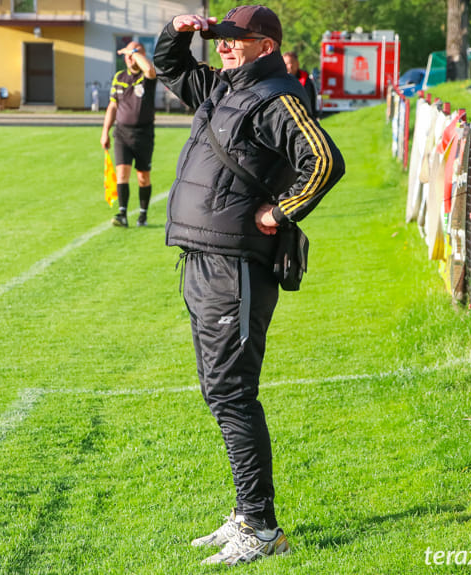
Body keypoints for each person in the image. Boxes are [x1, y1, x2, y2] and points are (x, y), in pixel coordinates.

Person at [154, 5, 345, 566]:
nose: (224, 48)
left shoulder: (276, 96)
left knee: (233, 393)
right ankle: (245, 514)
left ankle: (261, 528)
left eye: (236, 40)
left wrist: (281, 211)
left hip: (235, 265)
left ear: (266, 45)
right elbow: (169, 65)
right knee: (220, 390)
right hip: (202, 257)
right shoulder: (223, 89)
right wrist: (179, 30)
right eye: (220, 40)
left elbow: (325, 161)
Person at [100, 41, 156, 227]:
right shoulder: (120, 77)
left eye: (136, 53)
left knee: (143, 177)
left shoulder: (147, 77)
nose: (131, 57)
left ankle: (143, 214)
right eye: (128, 55)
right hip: (122, 133)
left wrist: (133, 51)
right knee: (122, 173)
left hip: (144, 134)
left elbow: (149, 68)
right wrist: (105, 132)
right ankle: (122, 214)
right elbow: (113, 105)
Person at [282, 51, 318, 117]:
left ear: (297, 64)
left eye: (291, 63)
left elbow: (310, 102)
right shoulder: (278, 81)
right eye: (286, 64)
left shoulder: (306, 80)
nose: (290, 66)